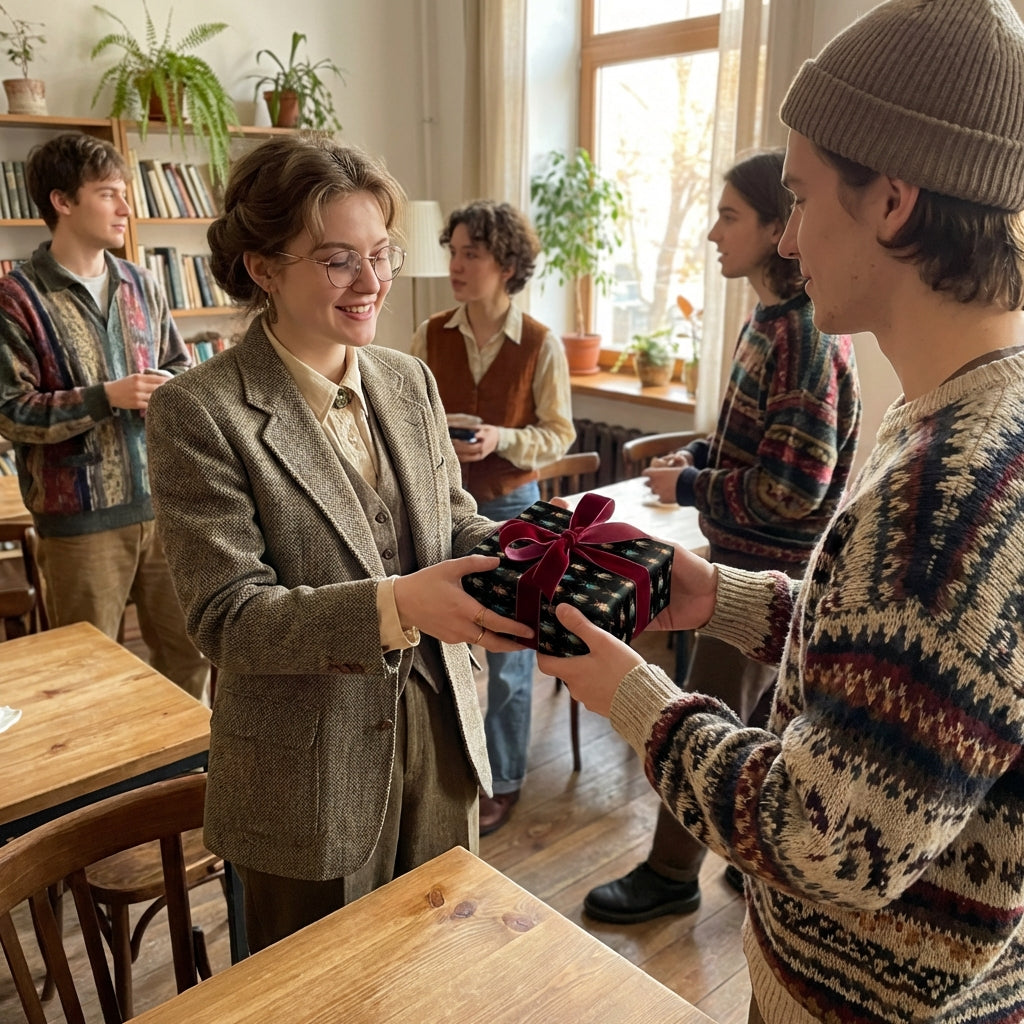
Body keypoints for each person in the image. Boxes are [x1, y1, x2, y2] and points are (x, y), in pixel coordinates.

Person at [538, 1, 1024, 1021]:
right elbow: (903, 676)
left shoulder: (947, 491)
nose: (790, 237)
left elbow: (826, 837)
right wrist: (723, 597)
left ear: (892, 202)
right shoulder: (972, 413)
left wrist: (635, 696)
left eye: (800, 198)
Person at [144, 135, 533, 954]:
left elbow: (451, 521)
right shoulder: (200, 410)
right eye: (337, 262)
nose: (373, 283)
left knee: (437, 966)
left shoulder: (406, 377)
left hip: (443, 735)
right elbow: (228, 618)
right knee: (318, 991)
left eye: (382, 254)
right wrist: (398, 605)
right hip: (303, 773)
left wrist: (530, 549)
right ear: (262, 267)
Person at [583, 150, 861, 924]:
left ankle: (671, 875)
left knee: (707, 719)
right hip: (742, 564)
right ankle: (751, 865)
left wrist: (693, 486)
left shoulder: (805, 337)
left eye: (731, 216)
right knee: (763, 724)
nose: (711, 232)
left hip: (759, 579)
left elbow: (792, 488)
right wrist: (699, 458)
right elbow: (753, 444)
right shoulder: (768, 323)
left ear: (780, 229)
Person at [0, 132, 207, 700]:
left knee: (190, 658)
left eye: (126, 193)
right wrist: (103, 397)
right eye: (109, 193)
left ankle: (187, 785)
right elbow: (10, 413)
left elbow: (177, 366)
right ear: (63, 202)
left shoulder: (142, 282)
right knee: (87, 677)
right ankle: (105, 794)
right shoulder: (15, 298)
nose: (126, 207)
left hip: (168, 509)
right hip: (78, 524)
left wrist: (172, 389)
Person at [411, 199, 575, 836]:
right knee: (432, 645)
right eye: (452, 250)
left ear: (506, 264)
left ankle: (502, 779)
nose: (454, 264)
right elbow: (401, 417)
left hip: (512, 508)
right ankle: (437, 771)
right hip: (437, 505)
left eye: (469, 253)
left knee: (508, 656)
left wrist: (502, 439)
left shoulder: (540, 342)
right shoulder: (429, 335)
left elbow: (558, 433)